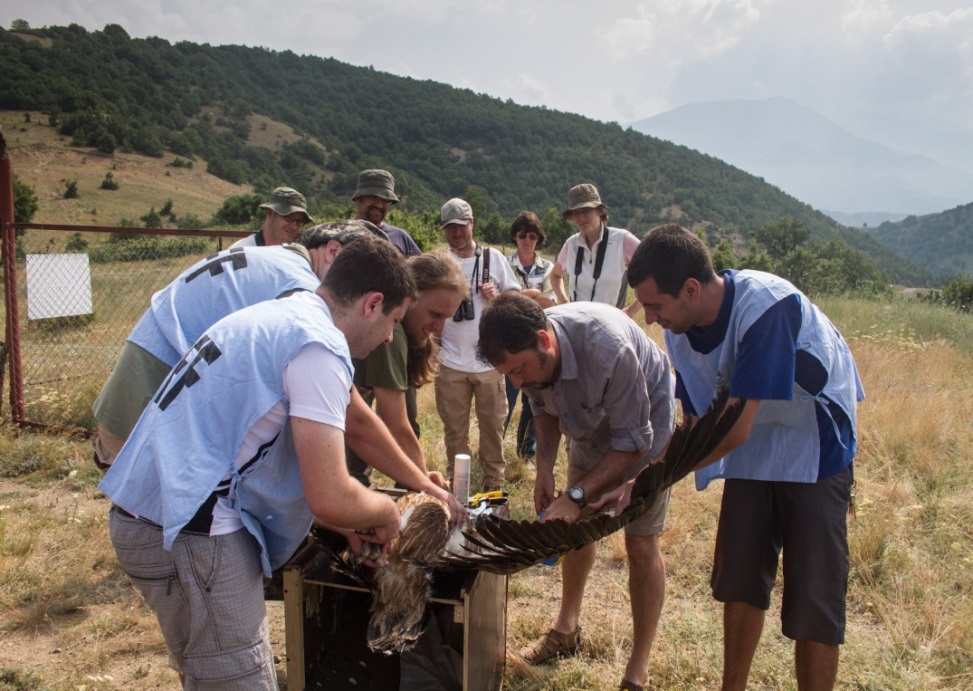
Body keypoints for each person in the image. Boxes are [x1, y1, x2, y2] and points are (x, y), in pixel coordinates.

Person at [99, 235, 416, 689]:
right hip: (192, 534)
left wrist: (347, 519)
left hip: (144, 514)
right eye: (394, 322)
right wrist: (386, 512)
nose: (389, 337)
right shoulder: (319, 346)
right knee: (240, 679)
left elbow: (251, 446)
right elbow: (328, 494)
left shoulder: (280, 314)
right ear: (373, 303)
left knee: (205, 673)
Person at [626, 224, 864, 691]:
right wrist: (644, 475)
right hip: (752, 445)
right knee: (739, 578)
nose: (650, 318)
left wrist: (653, 480)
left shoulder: (765, 307)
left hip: (813, 443)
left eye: (655, 305)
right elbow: (696, 426)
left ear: (691, 289)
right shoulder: (679, 329)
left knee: (814, 598)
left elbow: (733, 428)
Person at [91, 222, 458, 519]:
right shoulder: (304, 294)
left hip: (149, 366)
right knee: (167, 525)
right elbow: (355, 421)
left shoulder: (280, 259)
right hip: (155, 383)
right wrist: (421, 488)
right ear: (333, 252)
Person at [477, 292, 675, 691]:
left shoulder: (607, 348)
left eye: (519, 370)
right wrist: (545, 470)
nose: (516, 383)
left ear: (544, 341)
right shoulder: (530, 356)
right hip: (588, 429)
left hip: (646, 433)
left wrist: (578, 495)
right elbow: (543, 409)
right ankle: (566, 629)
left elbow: (634, 442)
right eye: (508, 376)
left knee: (639, 543)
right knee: (573, 531)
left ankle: (637, 668)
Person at [345, 250, 469, 487]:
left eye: (447, 318)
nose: (440, 328)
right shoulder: (392, 332)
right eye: (435, 314)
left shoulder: (404, 330)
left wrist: (420, 474)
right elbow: (396, 425)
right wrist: (426, 485)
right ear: (410, 295)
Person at [435, 197, 520, 492]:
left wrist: (495, 296)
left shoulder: (492, 258)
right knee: (454, 433)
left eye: (460, 226)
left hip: (488, 363)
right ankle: (458, 492)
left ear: (471, 224)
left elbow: (516, 301)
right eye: (450, 228)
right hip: (450, 363)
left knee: (492, 432)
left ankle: (493, 492)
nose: (456, 233)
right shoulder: (440, 261)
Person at [504, 211, 555, 461]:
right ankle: (494, 451)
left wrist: (518, 295)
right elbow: (502, 300)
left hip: (536, 341)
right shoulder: (503, 263)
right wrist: (533, 294)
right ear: (515, 236)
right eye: (522, 234)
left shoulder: (549, 268)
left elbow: (550, 303)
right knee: (505, 400)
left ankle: (526, 453)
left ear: (539, 239)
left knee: (533, 401)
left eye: (532, 235)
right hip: (507, 340)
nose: (527, 239)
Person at [550, 183, 641, 317]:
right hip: (575, 325)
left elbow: (655, 273)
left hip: (611, 326)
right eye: (576, 213)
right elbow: (555, 275)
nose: (581, 217)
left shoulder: (622, 240)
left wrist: (631, 311)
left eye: (586, 210)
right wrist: (564, 302)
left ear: (599, 211)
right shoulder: (571, 244)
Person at [352, 168, 421, 257]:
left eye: (385, 200)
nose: (380, 205)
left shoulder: (401, 237)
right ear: (359, 198)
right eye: (374, 197)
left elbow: (422, 269)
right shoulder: (339, 235)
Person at [230, 186, 313, 248]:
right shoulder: (242, 251)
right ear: (270, 213)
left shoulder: (289, 256)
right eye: (289, 218)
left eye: (299, 222)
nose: (294, 227)